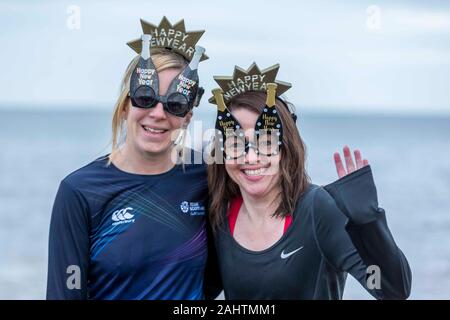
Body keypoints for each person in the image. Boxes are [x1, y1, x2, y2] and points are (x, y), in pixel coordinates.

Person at [46, 17, 218, 300]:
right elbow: (64, 293)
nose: (158, 114)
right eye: (145, 98)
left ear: (188, 117)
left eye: (174, 104)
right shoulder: (79, 192)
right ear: (126, 105)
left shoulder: (207, 177)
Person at [206, 63, 412, 299]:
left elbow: (392, 289)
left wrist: (368, 223)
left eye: (266, 142)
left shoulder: (317, 210)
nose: (251, 157)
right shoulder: (219, 215)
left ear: (287, 148)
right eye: (235, 143)